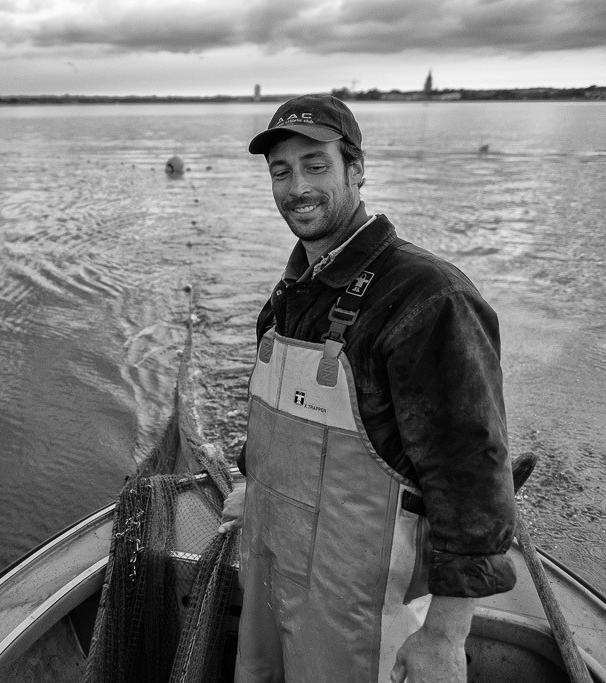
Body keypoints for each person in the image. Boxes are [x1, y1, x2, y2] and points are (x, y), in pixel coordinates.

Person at [218, 94, 517, 683]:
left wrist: (445, 635)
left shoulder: (429, 298)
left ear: (357, 169)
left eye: (316, 164)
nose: (296, 185)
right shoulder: (290, 295)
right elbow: (278, 416)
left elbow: (474, 478)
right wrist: (254, 481)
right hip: (272, 581)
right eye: (281, 171)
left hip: (366, 614)